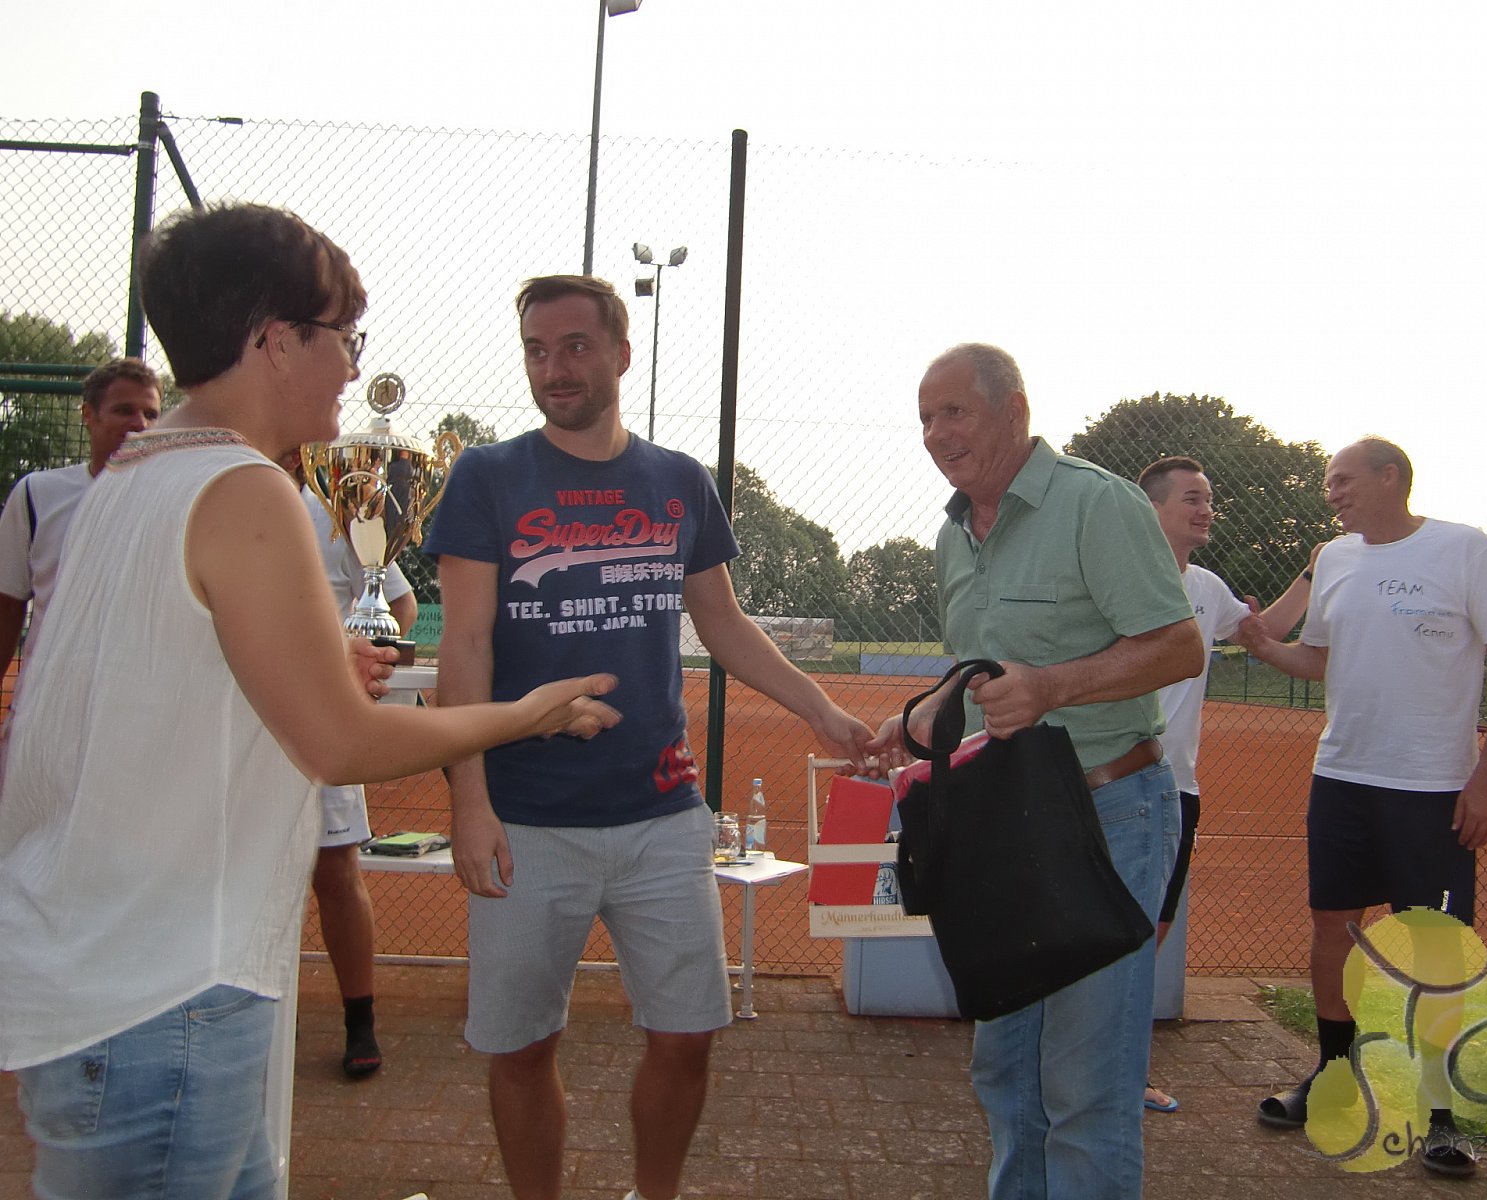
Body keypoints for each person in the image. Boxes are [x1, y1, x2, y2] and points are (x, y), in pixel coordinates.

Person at [0, 203, 620, 1200]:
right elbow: (340, 744)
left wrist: (322, 653)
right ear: (276, 341)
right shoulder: (245, 489)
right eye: (343, 337)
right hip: (166, 998)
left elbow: (172, 671)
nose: (350, 366)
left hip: (115, 977)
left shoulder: (136, 473)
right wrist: (531, 712)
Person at [423, 274, 875, 1200]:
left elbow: (724, 624)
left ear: (622, 355)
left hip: (661, 813)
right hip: (525, 816)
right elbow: (462, 648)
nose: (555, 369)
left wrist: (823, 710)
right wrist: (469, 802)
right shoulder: (488, 477)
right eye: (537, 350)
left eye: (576, 347)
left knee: (687, 1034)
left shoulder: (677, 481)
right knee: (521, 1046)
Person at [867, 343, 1204, 1200]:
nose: (936, 433)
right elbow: (985, 671)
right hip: (1008, 824)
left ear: (1013, 410)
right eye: (925, 418)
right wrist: (924, 715)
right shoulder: (953, 535)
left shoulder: (1096, 503)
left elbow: (1179, 645)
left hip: (1108, 814)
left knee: (1086, 1089)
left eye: (955, 412)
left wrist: (1054, 686)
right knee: (1008, 1071)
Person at [1234, 436, 1487, 1176]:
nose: (1331, 493)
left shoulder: (1463, 549)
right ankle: (1332, 1076)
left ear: (1390, 476)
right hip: (1342, 776)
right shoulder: (1335, 560)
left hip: (1432, 786)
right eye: (1329, 483)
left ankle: (1439, 1111)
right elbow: (1317, 661)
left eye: (1343, 480)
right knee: (1332, 927)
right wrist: (1262, 646)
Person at [1135, 455, 1320, 1113]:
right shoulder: (1119, 575)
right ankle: (1082, 1065)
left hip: (1177, 787)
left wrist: (1311, 572)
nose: (1206, 508)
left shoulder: (1208, 588)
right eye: (1192, 497)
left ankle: (1122, 1069)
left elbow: (1266, 632)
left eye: (1208, 497)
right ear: (1153, 508)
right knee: (1112, 929)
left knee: (1151, 931)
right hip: (1116, 780)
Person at [282, 447, 420, 1078]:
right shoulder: (226, 500)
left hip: (322, 722)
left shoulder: (338, 516)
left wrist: (359, 659)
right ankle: (264, 1012)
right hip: (246, 718)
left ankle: (359, 1021)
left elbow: (401, 604)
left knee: (336, 872)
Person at [0, 357, 163, 684]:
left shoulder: (179, 501)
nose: (140, 424)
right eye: (124, 410)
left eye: (151, 414)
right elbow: (8, 605)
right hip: (45, 699)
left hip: (135, 701)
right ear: (89, 415)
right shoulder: (36, 494)